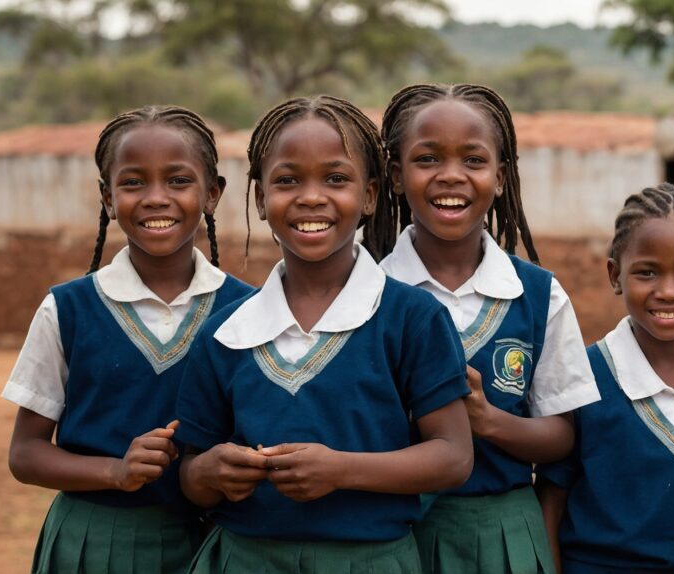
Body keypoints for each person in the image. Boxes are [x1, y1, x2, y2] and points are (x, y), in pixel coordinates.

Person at [175, 95, 474, 573]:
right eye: (288, 180)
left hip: (372, 561)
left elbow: (453, 457)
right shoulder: (225, 331)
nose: (311, 197)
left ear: (371, 195)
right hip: (246, 559)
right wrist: (209, 471)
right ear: (259, 199)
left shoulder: (413, 318)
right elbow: (191, 472)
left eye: (336, 178)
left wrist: (341, 470)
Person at [3, 105, 253, 573]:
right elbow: (25, 453)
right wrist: (114, 472)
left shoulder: (249, 312)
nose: (156, 197)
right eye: (133, 182)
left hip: (211, 541)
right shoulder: (68, 309)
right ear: (107, 198)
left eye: (178, 181)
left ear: (213, 193)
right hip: (94, 542)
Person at [368, 83, 600, 574]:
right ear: (394, 175)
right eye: (427, 159)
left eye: (473, 160)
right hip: (391, 535)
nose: (450, 176)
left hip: (504, 535)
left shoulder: (538, 295)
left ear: (500, 176)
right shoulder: (366, 294)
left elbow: (563, 436)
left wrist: (486, 420)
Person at [536, 183, 674, 573]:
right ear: (615, 274)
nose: (668, 291)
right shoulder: (584, 376)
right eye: (647, 272)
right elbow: (551, 501)